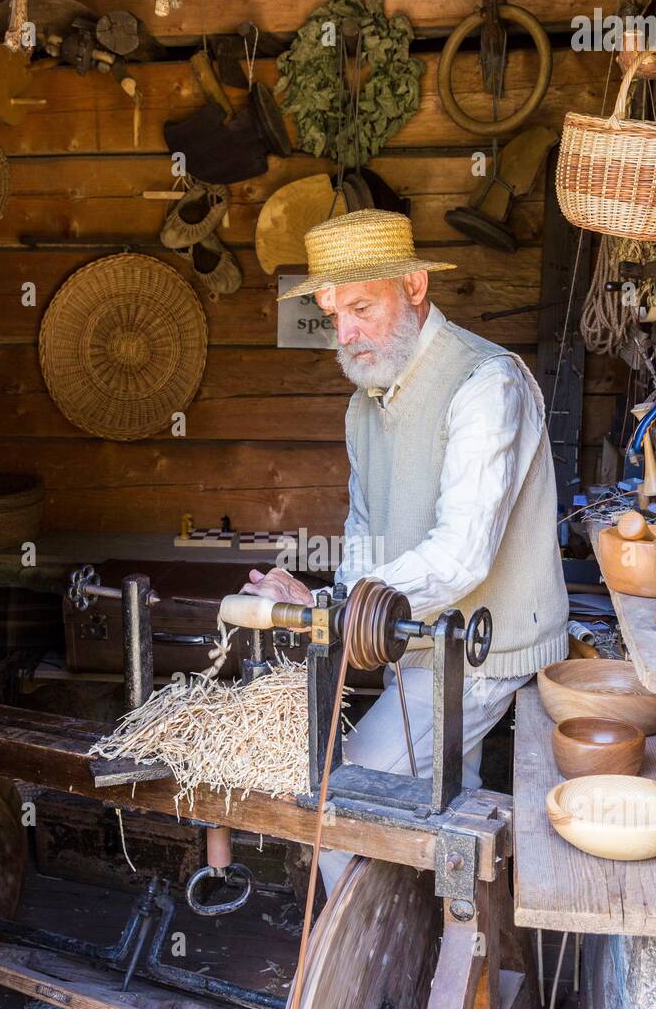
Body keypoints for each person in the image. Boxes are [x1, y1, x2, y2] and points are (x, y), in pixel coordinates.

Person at [243, 208, 568, 892]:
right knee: (446, 815)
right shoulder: (365, 405)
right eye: (334, 313)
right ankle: (450, 942)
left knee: (338, 800)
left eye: (362, 306)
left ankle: (363, 991)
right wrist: (321, 604)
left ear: (416, 286)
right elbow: (364, 536)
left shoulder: (487, 383)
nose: (347, 332)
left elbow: (461, 556)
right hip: (419, 645)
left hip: (487, 649)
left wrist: (332, 613)